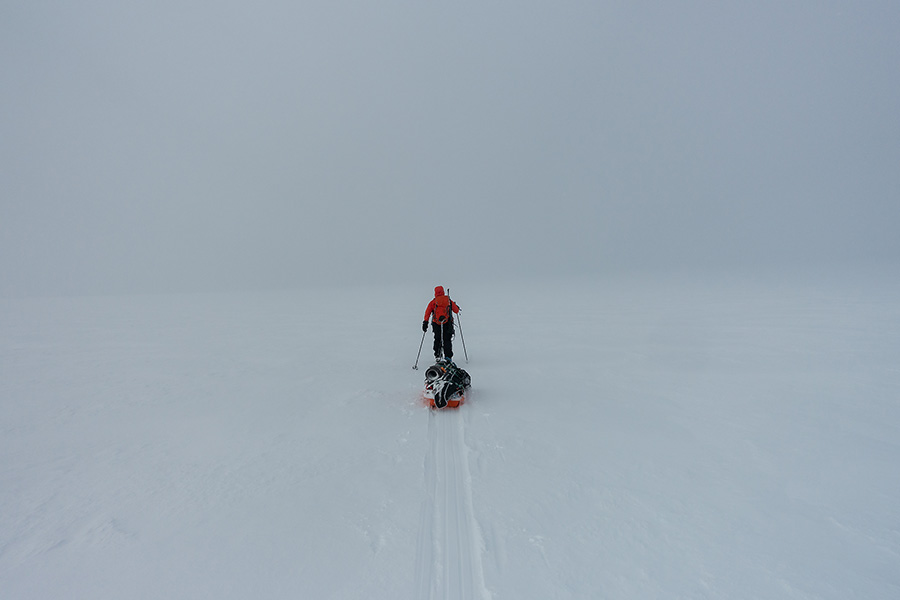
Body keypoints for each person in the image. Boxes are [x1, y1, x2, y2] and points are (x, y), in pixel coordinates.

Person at [422, 286, 460, 361]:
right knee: (447, 340)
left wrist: (425, 322)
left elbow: (427, 312)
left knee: (437, 339)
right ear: (443, 291)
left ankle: (438, 355)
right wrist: (456, 306)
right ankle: (448, 356)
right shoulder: (448, 300)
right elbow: (456, 310)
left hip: (436, 323)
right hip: (447, 323)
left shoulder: (433, 302)